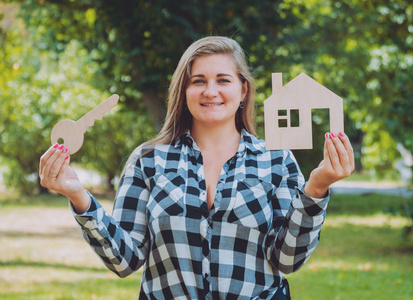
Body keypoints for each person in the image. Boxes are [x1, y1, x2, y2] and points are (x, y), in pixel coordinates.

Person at [39, 36, 354, 299]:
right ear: (183, 91)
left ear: (243, 90)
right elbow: (125, 260)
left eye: (223, 80)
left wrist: (316, 189)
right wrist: (78, 196)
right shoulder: (148, 160)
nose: (210, 91)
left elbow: (287, 259)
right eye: (198, 81)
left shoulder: (276, 160)